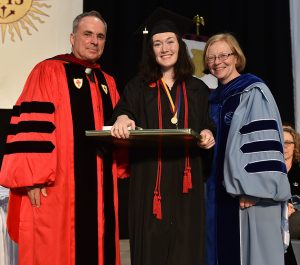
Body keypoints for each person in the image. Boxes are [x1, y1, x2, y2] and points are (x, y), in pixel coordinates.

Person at [0, 10, 127, 265]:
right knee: (54, 250)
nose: (94, 41)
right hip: (56, 188)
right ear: (72, 37)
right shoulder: (47, 71)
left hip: (100, 188)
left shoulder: (108, 82)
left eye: (100, 36)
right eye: (87, 34)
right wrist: (32, 179)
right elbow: (32, 129)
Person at [110, 19, 215, 265]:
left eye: (170, 42)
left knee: (185, 243)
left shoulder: (198, 88)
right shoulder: (137, 86)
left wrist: (209, 135)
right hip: (149, 180)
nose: (164, 48)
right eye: (157, 43)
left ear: (180, 45)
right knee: (151, 244)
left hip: (185, 180)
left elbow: (207, 124)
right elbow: (123, 112)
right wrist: (123, 117)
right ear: (151, 50)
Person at [203, 33, 291, 265]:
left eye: (224, 55)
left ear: (236, 57)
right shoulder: (212, 99)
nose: (217, 61)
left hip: (248, 194)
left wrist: (253, 188)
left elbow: (263, 144)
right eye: (211, 57)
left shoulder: (253, 91)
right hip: (216, 193)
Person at [283, 125, 300, 265]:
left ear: (295, 146)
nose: (285, 146)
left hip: (295, 214)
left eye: (288, 142)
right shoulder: (270, 170)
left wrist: (294, 207)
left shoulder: (298, 169)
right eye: (281, 142)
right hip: (276, 214)